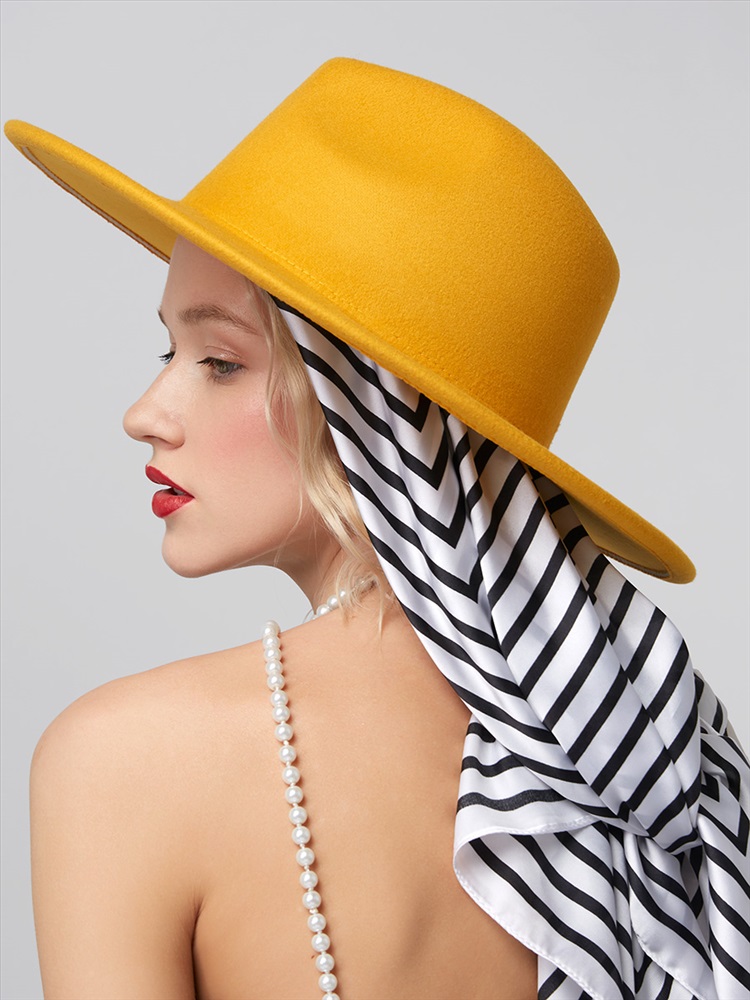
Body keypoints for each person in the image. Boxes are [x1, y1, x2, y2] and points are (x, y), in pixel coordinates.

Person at [5, 58, 749, 1000]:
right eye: (169, 349)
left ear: (372, 411)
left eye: (220, 361)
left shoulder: (121, 762)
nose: (145, 413)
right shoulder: (638, 745)